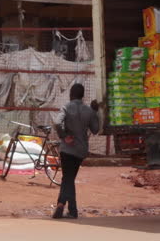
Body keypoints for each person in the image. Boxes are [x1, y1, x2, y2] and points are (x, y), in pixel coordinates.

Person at [52, 83, 99, 219]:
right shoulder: (88, 111)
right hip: (80, 150)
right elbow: (95, 129)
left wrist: (64, 136)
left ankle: (61, 204)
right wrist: (95, 112)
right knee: (69, 178)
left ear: (70, 94)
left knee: (67, 178)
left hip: (67, 149)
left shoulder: (66, 107)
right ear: (83, 95)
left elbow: (56, 123)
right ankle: (72, 210)